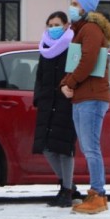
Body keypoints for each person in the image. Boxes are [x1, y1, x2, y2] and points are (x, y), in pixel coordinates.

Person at [60, 0, 110, 215]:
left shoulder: (90, 29)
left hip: (91, 97)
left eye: (75, 4)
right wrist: (66, 83)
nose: (71, 7)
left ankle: (98, 194)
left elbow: (88, 60)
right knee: (88, 147)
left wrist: (70, 83)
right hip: (85, 96)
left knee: (91, 148)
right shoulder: (82, 29)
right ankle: (96, 193)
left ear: (85, 7)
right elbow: (76, 62)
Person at [32, 11, 79, 208]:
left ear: (67, 26)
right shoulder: (45, 50)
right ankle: (66, 185)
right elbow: (40, 77)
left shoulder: (73, 48)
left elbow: (77, 74)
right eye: (50, 24)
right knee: (47, 148)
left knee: (64, 149)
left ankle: (66, 191)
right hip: (47, 103)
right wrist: (39, 99)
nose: (53, 28)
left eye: (57, 24)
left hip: (65, 103)